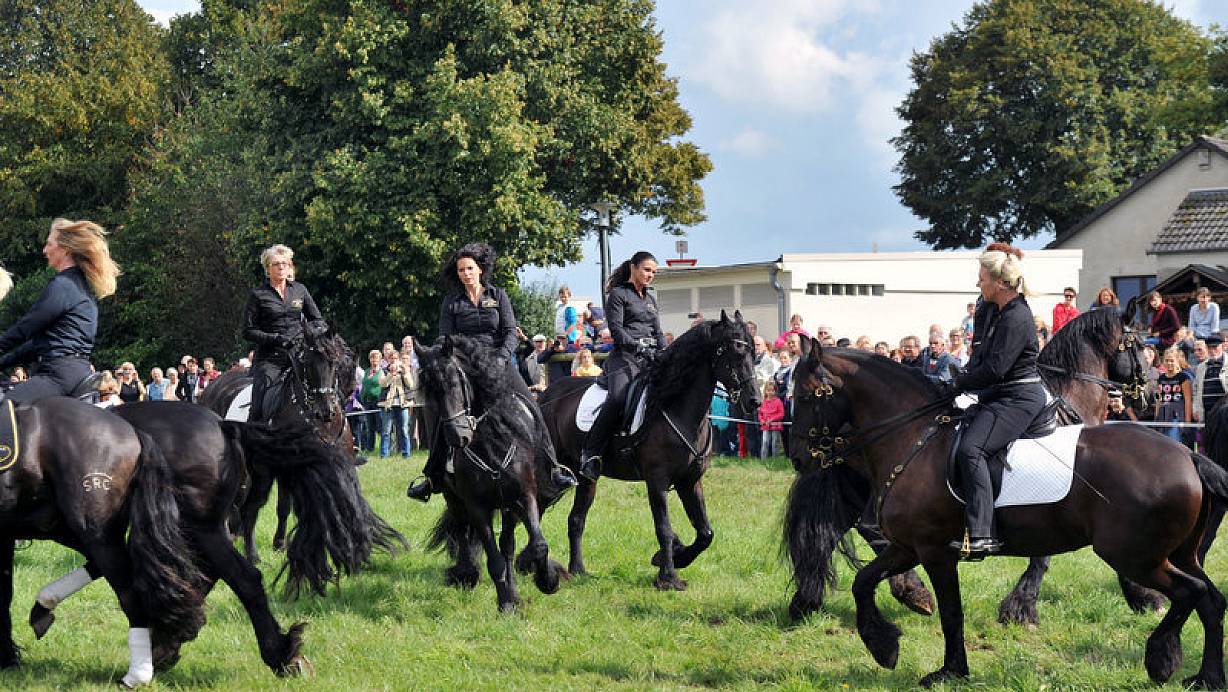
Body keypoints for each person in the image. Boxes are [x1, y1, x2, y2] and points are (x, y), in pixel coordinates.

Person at [409, 243, 575, 501]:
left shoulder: (498, 295)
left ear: (480, 269)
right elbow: (445, 336)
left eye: (470, 269)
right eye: (461, 269)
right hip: (463, 365)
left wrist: (501, 357)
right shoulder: (451, 302)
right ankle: (432, 476)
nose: (465, 273)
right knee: (442, 411)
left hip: (497, 363)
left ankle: (553, 468)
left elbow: (510, 332)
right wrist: (441, 355)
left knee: (531, 406)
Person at [946, 243, 1044, 560]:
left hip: (1018, 399)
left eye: (982, 277)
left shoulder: (1016, 317)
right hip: (998, 396)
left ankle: (981, 535)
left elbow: (994, 369)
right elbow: (980, 355)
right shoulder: (997, 310)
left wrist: (958, 381)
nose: (978, 283)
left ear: (1000, 283)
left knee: (971, 449)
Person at [0, 218, 119, 402]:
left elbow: (25, 328)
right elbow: (35, 344)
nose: (44, 250)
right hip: (75, 371)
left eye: (49, 244)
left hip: (57, 375)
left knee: (4, 407)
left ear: (65, 249)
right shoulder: (81, 288)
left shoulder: (63, 285)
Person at [577, 251, 664, 481]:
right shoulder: (618, 295)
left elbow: (658, 331)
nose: (650, 275)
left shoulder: (651, 300)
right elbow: (616, 330)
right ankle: (591, 452)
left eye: (654, 272)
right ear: (633, 268)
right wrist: (637, 346)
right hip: (624, 358)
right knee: (617, 398)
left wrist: (664, 351)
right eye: (647, 270)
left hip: (650, 358)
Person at [242, 244, 328, 424]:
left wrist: (311, 334)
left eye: (285, 263)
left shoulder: (300, 290)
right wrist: (275, 339)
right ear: (268, 268)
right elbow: (248, 331)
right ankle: (253, 434)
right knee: (260, 399)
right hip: (270, 358)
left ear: (289, 266)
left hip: (300, 354)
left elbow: (318, 321)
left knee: (325, 384)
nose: (281, 267)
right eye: (276, 264)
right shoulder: (258, 295)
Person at [379, 354, 416, 458]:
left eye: (395, 358)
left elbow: (410, 384)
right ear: (388, 360)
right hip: (388, 405)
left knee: (404, 430)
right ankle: (384, 455)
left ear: (399, 359)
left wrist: (404, 373)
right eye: (391, 358)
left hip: (402, 404)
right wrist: (390, 374)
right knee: (386, 431)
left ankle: (406, 454)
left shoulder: (404, 370)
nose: (394, 360)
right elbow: (382, 384)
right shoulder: (384, 371)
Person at [1156, 347, 1193, 447]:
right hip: (1163, 415)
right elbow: (1158, 398)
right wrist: (1156, 416)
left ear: (1178, 361)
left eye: (1172, 360)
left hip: (1176, 415)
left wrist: (1187, 422)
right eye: (1167, 360)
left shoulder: (1183, 377)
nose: (1169, 363)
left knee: (1175, 444)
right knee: (1162, 445)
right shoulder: (1161, 378)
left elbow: (1188, 400)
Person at [1194, 334, 1226, 425]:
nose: (1212, 351)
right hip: (1208, 412)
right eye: (1209, 348)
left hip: (1224, 412)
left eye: (1215, 347)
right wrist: (1196, 408)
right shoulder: (1201, 367)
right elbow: (1195, 390)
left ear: (1222, 346)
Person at [758, 381, 785, 459]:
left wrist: (772, 420)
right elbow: (760, 413)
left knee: (775, 442)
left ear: (775, 391)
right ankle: (763, 459)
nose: (770, 392)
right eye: (768, 390)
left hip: (776, 426)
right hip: (765, 426)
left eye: (772, 390)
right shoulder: (763, 402)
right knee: (765, 442)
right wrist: (761, 420)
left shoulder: (778, 401)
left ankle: (775, 459)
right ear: (765, 391)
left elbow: (781, 414)